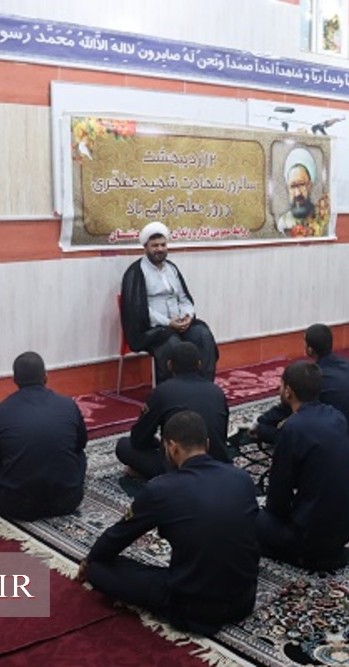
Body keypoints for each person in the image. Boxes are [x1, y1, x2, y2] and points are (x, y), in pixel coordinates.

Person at [84, 411, 259, 636]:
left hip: (191, 609)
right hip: (243, 601)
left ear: (172, 447)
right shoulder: (241, 478)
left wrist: (91, 560)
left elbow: (118, 536)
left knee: (99, 570)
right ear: (206, 443)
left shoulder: (161, 489)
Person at [256, 361, 349, 570]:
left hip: (311, 536)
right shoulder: (337, 417)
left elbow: (278, 495)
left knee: (245, 515)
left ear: (288, 391)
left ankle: (301, 555)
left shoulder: (293, 429)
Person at [0, 351, 88, 521]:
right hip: (67, 501)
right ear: (46, 376)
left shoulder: (1, 411)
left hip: (20, 507)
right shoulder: (68, 404)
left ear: (14, 380)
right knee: (79, 456)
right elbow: (80, 445)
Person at [120, 221, 218, 381]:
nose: (159, 249)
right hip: (152, 330)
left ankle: (204, 385)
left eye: (163, 245)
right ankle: (173, 393)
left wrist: (188, 316)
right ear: (145, 247)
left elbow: (184, 298)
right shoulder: (136, 272)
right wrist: (168, 323)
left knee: (203, 336)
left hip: (180, 324)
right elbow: (138, 310)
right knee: (174, 346)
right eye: (155, 245)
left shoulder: (172, 269)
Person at [116, 342, 230, 479]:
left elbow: (139, 439)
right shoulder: (216, 391)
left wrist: (158, 443)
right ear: (199, 364)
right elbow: (221, 436)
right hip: (217, 464)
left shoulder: (162, 392)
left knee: (124, 446)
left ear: (169, 365)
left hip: (179, 467)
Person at [252, 323, 349, 450]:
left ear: (310, 349)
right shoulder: (346, 363)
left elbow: (289, 405)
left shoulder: (314, 377)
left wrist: (261, 422)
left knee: (272, 431)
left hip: (335, 442)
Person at [275, 146, 329, 237]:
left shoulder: (320, 218)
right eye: (293, 186)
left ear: (309, 185)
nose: (297, 193)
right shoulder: (283, 222)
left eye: (301, 185)